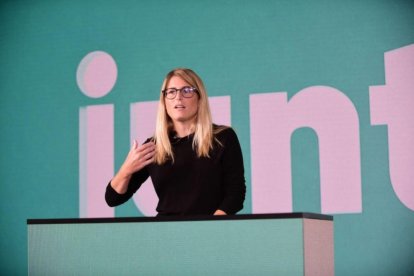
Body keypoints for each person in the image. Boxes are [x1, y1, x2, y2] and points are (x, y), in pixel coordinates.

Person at [105, 68, 246, 216]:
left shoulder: (223, 137)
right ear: (164, 101)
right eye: (171, 92)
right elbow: (112, 199)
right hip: (166, 233)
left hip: (210, 231)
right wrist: (126, 169)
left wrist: (210, 226)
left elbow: (236, 194)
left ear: (199, 98)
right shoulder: (154, 146)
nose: (178, 97)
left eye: (186, 90)